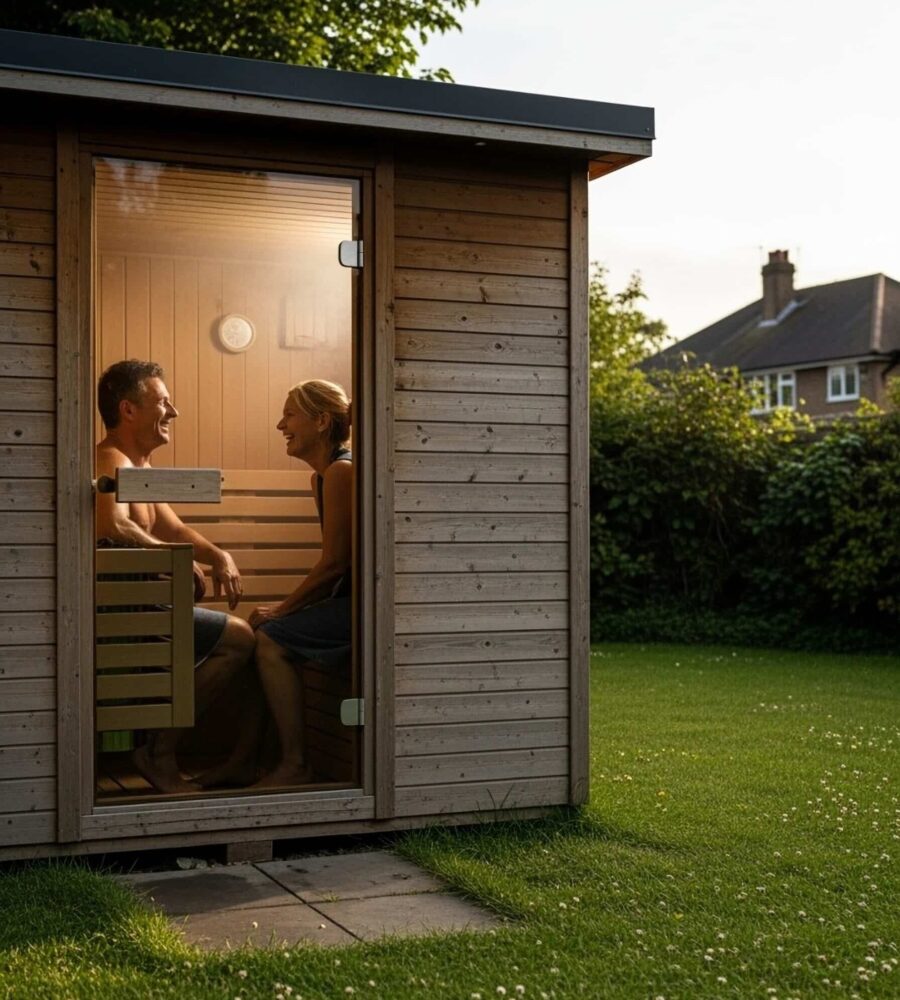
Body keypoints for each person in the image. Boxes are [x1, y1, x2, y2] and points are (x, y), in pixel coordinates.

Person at [96, 359, 258, 793]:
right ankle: (159, 752)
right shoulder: (110, 460)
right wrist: (176, 559)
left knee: (250, 634)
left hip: (150, 613)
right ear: (129, 410)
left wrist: (217, 554)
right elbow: (112, 525)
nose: (174, 413)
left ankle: (236, 761)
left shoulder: (137, 467)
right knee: (240, 639)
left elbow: (173, 527)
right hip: (123, 622)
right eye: (164, 402)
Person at [249, 379, 352, 788]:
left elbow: (336, 564)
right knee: (255, 635)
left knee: (271, 641)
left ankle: (295, 764)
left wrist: (284, 610)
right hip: (345, 601)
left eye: (290, 414)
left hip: (364, 606)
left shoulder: (343, 471)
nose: (280, 425)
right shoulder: (323, 477)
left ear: (322, 420)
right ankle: (246, 761)